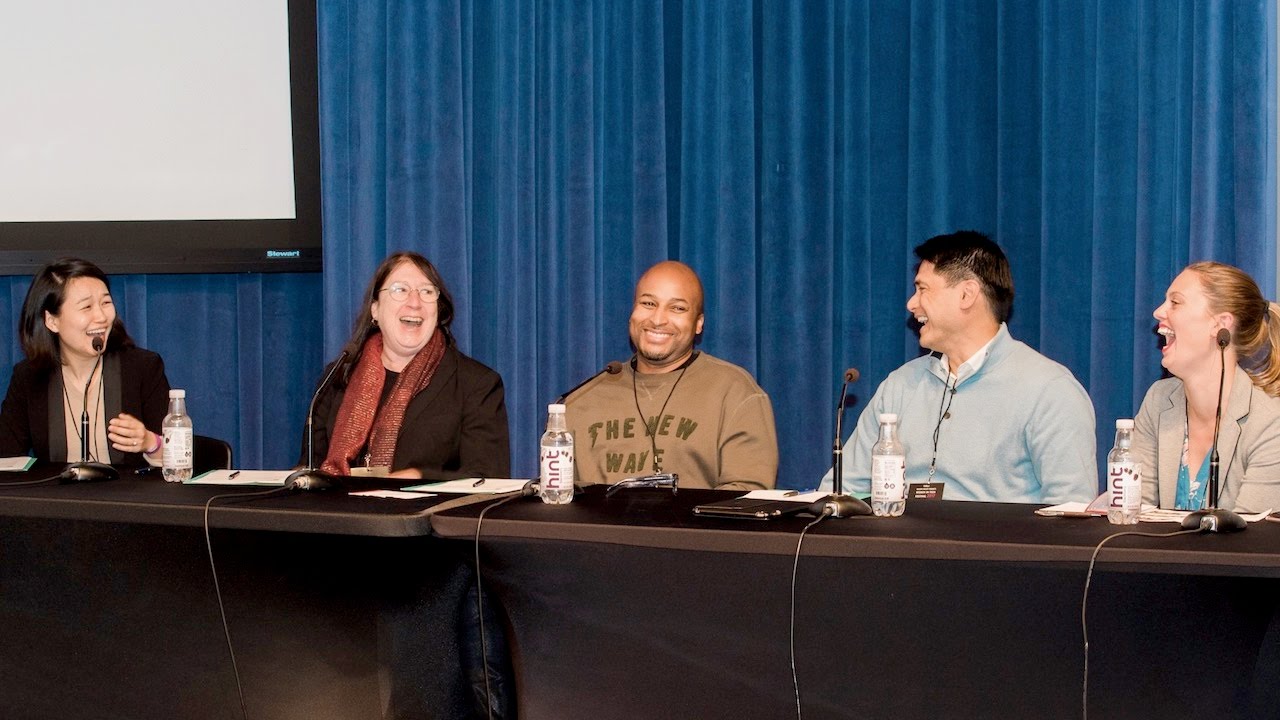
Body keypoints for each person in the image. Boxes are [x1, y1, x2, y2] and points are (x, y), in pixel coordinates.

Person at [821, 231, 1096, 503]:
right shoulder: (900, 385)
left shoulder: (1049, 390)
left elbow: (1069, 511)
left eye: (922, 289)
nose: (911, 304)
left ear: (967, 294)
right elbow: (841, 492)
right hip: (900, 532)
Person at [564, 260, 778, 490]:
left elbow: (747, 495)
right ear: (632, 313)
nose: (658, 320)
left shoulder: (735, 392)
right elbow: (558, 497)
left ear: (698, 323)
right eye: (648, 303)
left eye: (677, 308)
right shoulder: (580, 399)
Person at [304, 251, 510, 480]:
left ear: (438, 310)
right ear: (375, 309)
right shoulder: (337, 376)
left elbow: (488, 478)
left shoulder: (476, 384)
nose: (415, 303)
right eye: (400, 290)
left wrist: (420, 477)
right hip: (338, 503)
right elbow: (310, 468)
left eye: (427, 292)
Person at [1133, 262, 1280, 513]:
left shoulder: (1270, 423)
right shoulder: (1159, 400)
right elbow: (1134, 513)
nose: (1158, 312)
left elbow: (1253, 534)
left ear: (1220, 325)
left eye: (1175, 302)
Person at [0, 257, 170, 464]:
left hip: (129, 486)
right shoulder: (29, 377)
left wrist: (151, 443)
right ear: (52, 321)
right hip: (57, 487)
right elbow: (6, 458)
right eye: (87, 307)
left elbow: (180, 457)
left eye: (106, 303)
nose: (101, 317)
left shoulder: (142, 367)